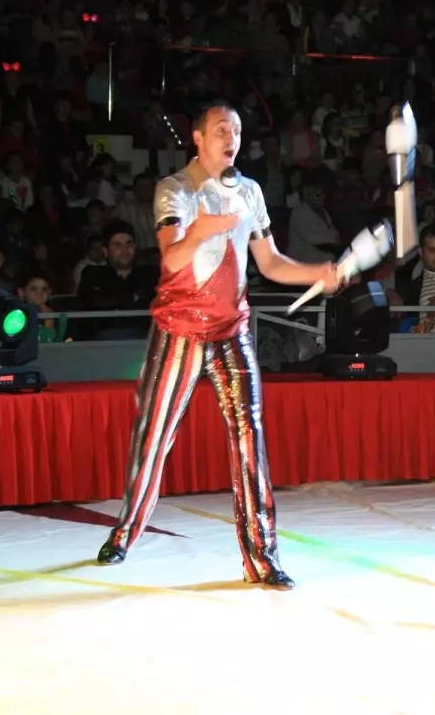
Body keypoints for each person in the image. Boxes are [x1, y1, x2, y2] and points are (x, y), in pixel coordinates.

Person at [96, 102, 342, 591]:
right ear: (198, 138)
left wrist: (318, 273)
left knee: (249, 438)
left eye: (237, 131)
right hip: (180, 329)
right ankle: (126, 530)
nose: (232, 138)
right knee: (153, 436)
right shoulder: (176, 190)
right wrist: (199, 232)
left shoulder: (249, 192)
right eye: (221, 130)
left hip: (232, 331)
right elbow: (170, 260)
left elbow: (269, 264)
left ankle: (262, 557)